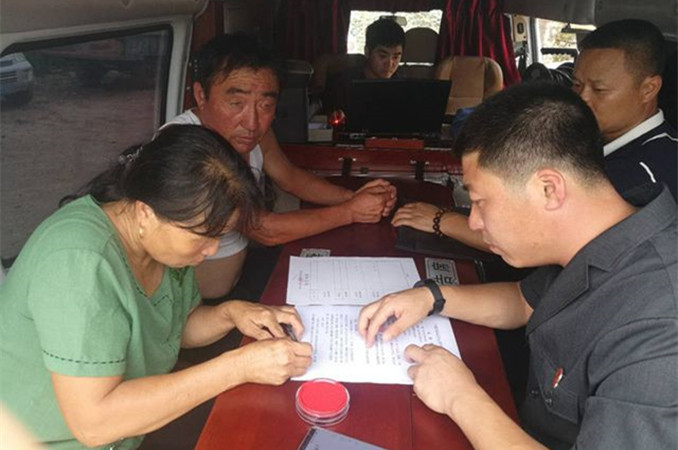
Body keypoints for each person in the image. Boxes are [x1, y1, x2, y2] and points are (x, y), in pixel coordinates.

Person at [359, 83, 677, 449]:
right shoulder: (608, 233)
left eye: (480, 202)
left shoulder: (660, 324)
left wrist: (459, 396)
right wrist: (431, 297)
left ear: (548, 189)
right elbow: (524, 301)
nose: (473, 222)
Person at [0, 125, 312, 449]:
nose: (212, 250)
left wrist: (232, 313)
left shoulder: (163, 244)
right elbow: (94, 424)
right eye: (204, 236)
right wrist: (238, 367)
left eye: (220, 235)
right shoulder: (79, 262)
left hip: (132, 430)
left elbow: (174, 328)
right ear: (145, 212)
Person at [392, 18, 676, 251]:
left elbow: (543, 239)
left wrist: (441, 220)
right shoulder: (600, 141)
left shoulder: (646, 173)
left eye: (599, 90)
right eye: (577, 85)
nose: (582, 99)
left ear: (648, 89)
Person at [164, 33, 397, 299]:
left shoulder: (250, 133)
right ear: (200, 95)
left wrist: (354, 198)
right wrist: (351, 211)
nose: (252, 123)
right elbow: (264, 230)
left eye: (265, 105)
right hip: (200, 306)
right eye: (236, 103)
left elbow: (290, 177)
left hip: (246, 272)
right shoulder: (183, 148)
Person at [321, 17, 406, 114]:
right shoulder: (343, 84)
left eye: (396, 57)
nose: (390, 64)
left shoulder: (402, 87)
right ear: (367, 52)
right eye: (383, 56)